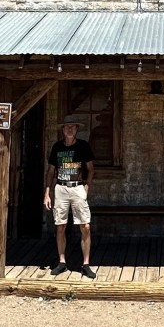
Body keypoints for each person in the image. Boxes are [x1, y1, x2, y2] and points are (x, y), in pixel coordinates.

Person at [43, 114, 96, 278]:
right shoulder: (57, 147)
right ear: (63, 129)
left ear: (77, 129)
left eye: (73, 126)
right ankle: (62, 262)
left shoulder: (83, 146)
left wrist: (86, 186)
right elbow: (51, 171)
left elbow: (91, 168)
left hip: (77, 187)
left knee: (85, 226)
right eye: (67, 126)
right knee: (60, 226)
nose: (70, 129)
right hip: (61, 188)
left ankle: (86, 264)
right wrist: (47, 193)